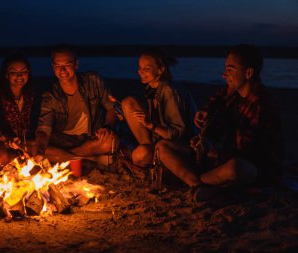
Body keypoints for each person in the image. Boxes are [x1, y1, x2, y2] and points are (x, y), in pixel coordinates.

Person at [156, 44, 284, 200]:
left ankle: (195, 181)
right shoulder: (233, 91)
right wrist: (205, 111)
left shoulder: (262, 104)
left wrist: (211, 151)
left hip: (253, 167)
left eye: (230, 70)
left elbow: (248, 153)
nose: (224, 74)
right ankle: (198, 183)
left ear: (248, 73)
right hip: (219, 158)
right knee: (163, 146)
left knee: (236, 168)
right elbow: (217, 98)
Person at [34, 44, 117, 163]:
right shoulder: (50, 96)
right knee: (32, 145)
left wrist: (107, 127)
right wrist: (40, 150)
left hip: (90, 138)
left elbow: (111, 108)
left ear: (76, 64)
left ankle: (65, 158)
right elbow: (44, 128)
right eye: (58, 66)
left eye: (67, 65)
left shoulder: (93, 81)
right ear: (53, 67)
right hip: (64, 140)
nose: (62, 70)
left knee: (110, 141)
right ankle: (81, 158)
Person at [121, 47, 197, 167]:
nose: (140, 72)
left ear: (160, 70)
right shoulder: (151, 89)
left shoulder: (169, 91)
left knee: (139, 155)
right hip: (159, 141)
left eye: (146, 69)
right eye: (140, 68)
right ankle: (149, 152)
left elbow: (177, 134)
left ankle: (152, 158)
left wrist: (151, 125)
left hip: (181, 147)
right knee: (128, 102)